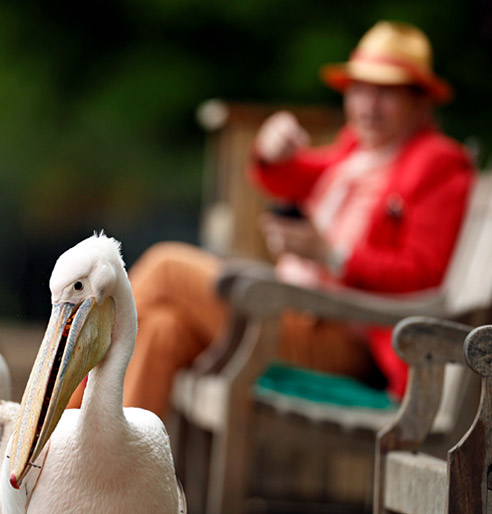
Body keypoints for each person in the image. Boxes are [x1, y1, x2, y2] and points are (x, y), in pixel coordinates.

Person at [67, 20, 474, 417]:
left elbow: (423, 273)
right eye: (360, 89)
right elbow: (290, 175)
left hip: (337, 335)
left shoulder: (438, 162)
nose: (369, 105)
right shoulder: (357, 148)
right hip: (291, 311)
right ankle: (112, 461)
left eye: (386, 93)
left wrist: (331, 256)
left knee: (167, 267)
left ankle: (54, 426)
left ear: (420, 102)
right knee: (163, 328)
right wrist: (270, 147)